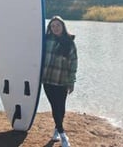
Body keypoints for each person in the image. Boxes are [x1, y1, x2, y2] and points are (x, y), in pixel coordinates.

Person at [41, 16, 78, 147]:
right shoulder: (46, 40)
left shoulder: (69, 42)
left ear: (63, 26)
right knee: (54, 107)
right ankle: (63, 134)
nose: (55, 28)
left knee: (60, 108)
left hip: (62, 81)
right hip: (48, 80)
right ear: (50, 28)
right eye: (53, 26)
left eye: (58, 25)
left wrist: (71, 81)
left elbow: (73, 63)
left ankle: (57, 130)